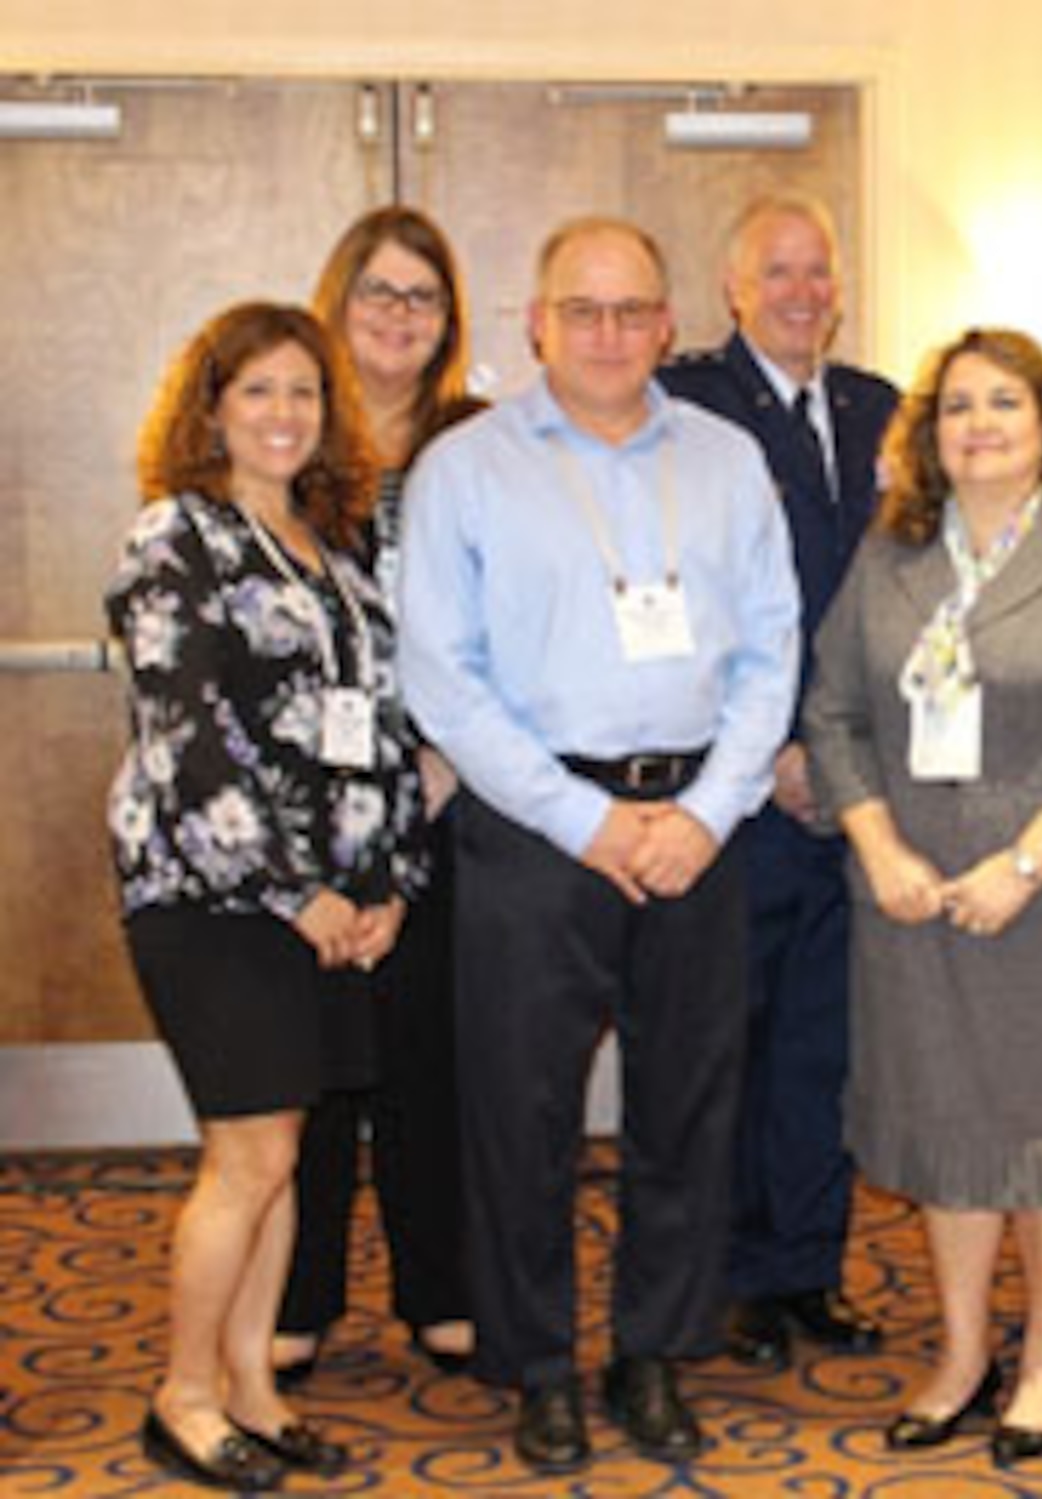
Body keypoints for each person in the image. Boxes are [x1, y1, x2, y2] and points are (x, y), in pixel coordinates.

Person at [397, 217, 800, 1474]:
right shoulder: (465, 469)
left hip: (695, 829)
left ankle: (649, 1354)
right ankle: (541, 1370)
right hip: (533, 830)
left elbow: (770, 652)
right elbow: (441, 680)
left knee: (688, 1106)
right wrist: (583, 820)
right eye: (583, 311)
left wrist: (705, 810)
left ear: (668, 326)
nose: (609, 335)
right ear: (535, 321)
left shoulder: (730, 461)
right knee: (520, 1117)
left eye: (632, 312)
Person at [804, 327, 1042, 1469]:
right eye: (955, 406)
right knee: (947, 1128)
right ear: (928, 435)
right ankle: (961, 1352)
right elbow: (832, 715)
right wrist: (875, 845)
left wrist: (1020, 865)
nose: (976, 425)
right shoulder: (888, 556)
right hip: (913, 899)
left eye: (1002, 403)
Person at [108, 301, 426, 1490]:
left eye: (303, 392)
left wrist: (386, 880)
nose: (284, 414)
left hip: (330, 905)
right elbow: (185, 738)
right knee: (245, 1154)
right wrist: (295, 893)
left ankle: (252, 1383)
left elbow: (377, 734)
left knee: (282, 1148)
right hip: (214, 900)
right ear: (211, 409)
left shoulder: (329, 547)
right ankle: (183, 1393)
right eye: (258, 392)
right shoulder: (173, 539)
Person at [659, 194, 899, 1372]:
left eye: (819, 271)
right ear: (732, 289)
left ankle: (807, 1268)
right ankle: (722, 1279)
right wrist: (773, 749)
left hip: (855, 793)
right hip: (738, 789)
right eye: (777, 272)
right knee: (729, 1045)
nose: (802, 291)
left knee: (822, 1048)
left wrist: (841, 752)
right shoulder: (689, 408)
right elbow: (692, 599)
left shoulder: (879, 410)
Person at [274, 204, 484, 1388]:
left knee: (427, 1052)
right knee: (309, 1060)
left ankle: (440, 1288)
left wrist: (442, 771)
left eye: (423, 297)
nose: (400, 317)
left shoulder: (480, 442)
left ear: (448, 320)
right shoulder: (289, 439)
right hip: (308, 812)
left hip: (447, 794)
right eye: (379, 293)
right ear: (336, 300)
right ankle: (299, 1296)